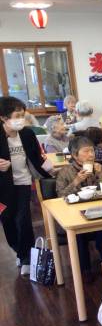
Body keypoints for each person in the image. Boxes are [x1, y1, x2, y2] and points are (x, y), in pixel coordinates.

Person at [0, 96, 52, 275]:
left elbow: (38, 157)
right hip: (3, 188)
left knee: (23, 219)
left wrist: (51, 171)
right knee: (7, 220)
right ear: (3, 118)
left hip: (23, 182)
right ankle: (20, 251)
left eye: (22, 115)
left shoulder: (27, 134)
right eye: (17, 116)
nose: (21, 119)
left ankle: (26, 258)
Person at [56, 136, 102, 271]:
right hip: (75, 215)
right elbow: (60, 196)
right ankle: (84, 271)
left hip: (98, 212)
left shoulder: (99, 167)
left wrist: (100, 174)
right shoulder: (65, 171)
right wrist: (76, 181)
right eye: (86, 151)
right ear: (75, 155)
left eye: (92, 151)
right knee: (78, 236)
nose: (91, 155)